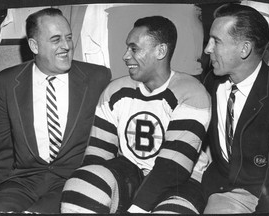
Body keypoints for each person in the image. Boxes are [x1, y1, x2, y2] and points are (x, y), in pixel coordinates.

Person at [61, 15, 211, 214]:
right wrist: (93, 187)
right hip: (130, 173)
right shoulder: (114, 91)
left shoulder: (191, 92)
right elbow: (98, 155)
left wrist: (135, 210)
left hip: (180, 181)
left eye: (134, 48)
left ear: (161, 51)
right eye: (127, 48)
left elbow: (172, 168)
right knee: (81, 183)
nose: (125, 56)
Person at [0, 8, 111, 213]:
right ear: (34, 45)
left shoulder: (98, 78)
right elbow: (0, 153)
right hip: (21, 183)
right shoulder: (6, 83)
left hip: (72, 182)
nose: (66, 46)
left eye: (68, 38)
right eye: (56, 39)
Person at [201, 3, 269, 214]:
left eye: (216, 41)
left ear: (245, 49)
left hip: (260, 196)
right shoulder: (211, 82)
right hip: (214, 185)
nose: (207, 49)